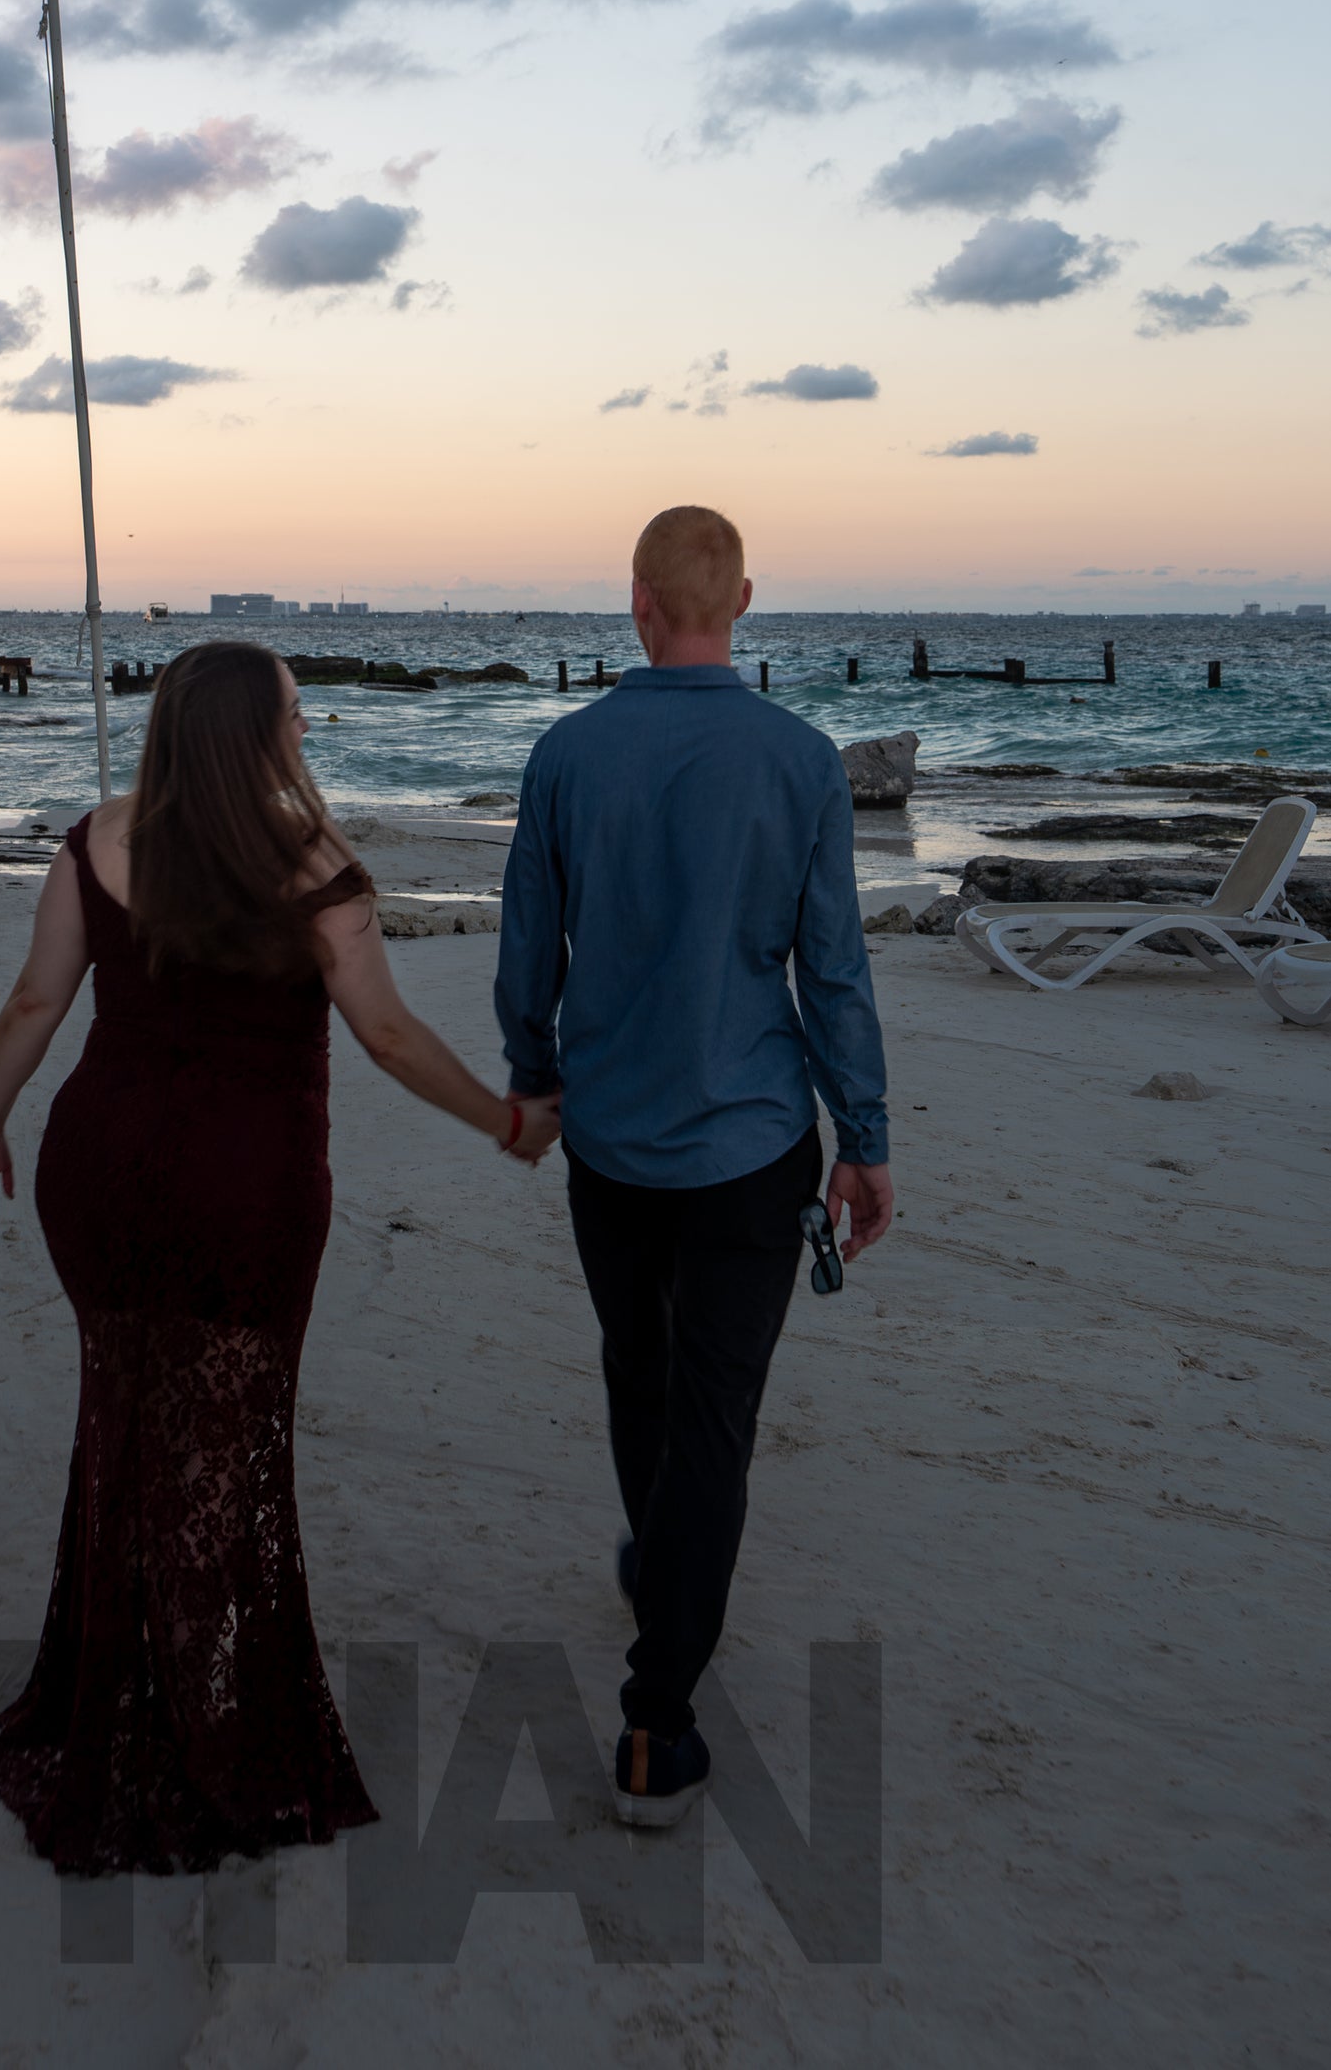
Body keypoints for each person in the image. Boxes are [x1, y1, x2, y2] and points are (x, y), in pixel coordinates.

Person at [0, 639, 561, 1878]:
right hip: (248, 1185)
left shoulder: (97, 838)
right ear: (264, 733)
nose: (303, 729)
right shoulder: (315, 864)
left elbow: (34, 1001)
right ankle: (208, 1720)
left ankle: (111, 1687)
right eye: (294, 714)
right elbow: (385, 1035)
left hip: (102, 1167)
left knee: (125, 1418)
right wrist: (502, 1121)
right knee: (226, 1444)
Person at [495, 505, 892, 1828]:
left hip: (611, 1135)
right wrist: (866, 1138)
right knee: (709, 1412)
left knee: (639, 1370)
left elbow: (525, 953)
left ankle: (659, 1588)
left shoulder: (565, 752)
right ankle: (656, 1723)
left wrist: (531, 1071)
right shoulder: (800, 759)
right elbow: (829, 968)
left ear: (637, 602)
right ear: (742, 600)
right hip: (750, 1138)